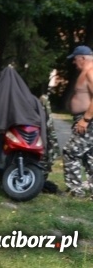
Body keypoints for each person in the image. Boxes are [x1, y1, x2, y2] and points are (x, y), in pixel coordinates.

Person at [62, 45, 93, 198]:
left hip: (88, 120)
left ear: (82, 58)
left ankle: (76, 191)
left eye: (75, 59)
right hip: (84, 119)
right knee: (89, 155)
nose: (74, 62)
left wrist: (85, 120)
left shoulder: (91, 71)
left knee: (70, 152)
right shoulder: (85, 72)